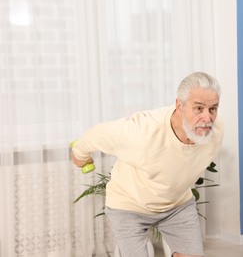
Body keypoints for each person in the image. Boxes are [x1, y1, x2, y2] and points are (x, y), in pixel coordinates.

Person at [71, 72, 224, 257]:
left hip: (177, 205)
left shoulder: (215, 131)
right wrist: (80, 154)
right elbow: (97, 135)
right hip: (129, 205)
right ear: (179, 106)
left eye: (213, 109)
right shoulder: (142, 132)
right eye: (199, 108)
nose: (207, 118)